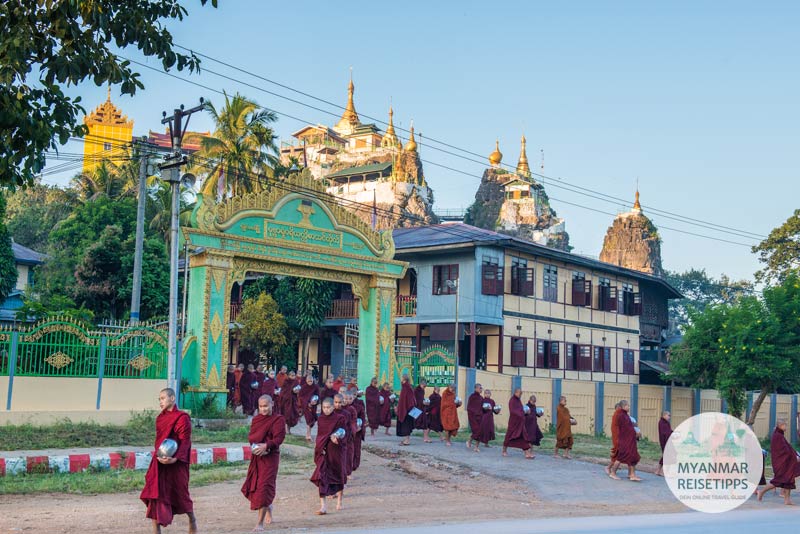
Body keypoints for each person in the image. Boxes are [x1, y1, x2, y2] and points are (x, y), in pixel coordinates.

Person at [140, 388, 198, 534]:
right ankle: (156, 530)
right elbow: (159, 441)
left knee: (181, 494)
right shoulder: (160, 418)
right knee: (155, 493)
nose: (160, 402)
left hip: (177, 462)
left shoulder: (182, 417)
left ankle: (192, 520)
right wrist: (160, 456)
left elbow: (185, 441)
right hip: (160, 462)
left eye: (163, 398)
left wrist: (175, 458)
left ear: (172, 398)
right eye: (159, 399)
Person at [242, 395, 286, 531]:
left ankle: (260, 523)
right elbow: (252, 437)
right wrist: (256, 447)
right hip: (258, 457)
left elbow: (279, 438)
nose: (263, 409)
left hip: (271, 457)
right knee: (258, 485)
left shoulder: (278, 419)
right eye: (261, 406)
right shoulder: (256, 420)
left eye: (266, 406)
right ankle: (269, 507)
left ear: (272, 404)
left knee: (265, 487)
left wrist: (266, 447)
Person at [310, 397, 347, 515]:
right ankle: (323, 507)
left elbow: (344, 432)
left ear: (333, 407)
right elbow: (321, 435)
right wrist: (319, 447)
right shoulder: (320, 419)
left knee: (338, 475)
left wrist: (337, 437)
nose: (326, 410)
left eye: (328, 407)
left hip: (336, 451)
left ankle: (340, 501)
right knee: (322, 476)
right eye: (324, 408)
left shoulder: (339, 418)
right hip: (323, 452)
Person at [758, 419, 800, 505]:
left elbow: (788, 448)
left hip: (787, 462)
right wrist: (794, 457)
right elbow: (783, 451)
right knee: (779, 480)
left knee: (789, 480)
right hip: (782, 463)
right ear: (780, 425)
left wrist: (795, 455)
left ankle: (787, 500)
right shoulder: (777, 436)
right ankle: (762, 492)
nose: (786, 427)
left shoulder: (780, 435)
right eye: (785, 425)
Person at [608, 400, 641, 481]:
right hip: (624, 440)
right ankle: (613, 473)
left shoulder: (625, 415)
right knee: (621, 457)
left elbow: (630, 427)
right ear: (623, 406)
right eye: (627, 406)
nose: (629, 407)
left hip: (630, 439)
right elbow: (624, 429)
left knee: (633, 456)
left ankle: (632, 475)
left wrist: (635, 434)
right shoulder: (620, 415)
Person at [503, 388, 533, 459]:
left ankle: (527, 453)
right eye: (520, 393)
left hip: (520, 422)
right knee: (508, 436)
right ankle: (504, 450)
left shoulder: (518, 401)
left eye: (521, 393)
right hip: (513, 422)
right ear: (516, 392)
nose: (521, 395)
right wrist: (523, 412)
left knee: (523, 437)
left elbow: (520, 409)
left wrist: (526, 412)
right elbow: (513, 411)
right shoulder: (512, 400)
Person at [395, 375, 417, 446]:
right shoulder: (405, 387)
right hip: (404, 409)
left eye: (401, 378)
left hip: (407, 410)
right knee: (405, 425)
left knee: (406, 425)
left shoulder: (407, 388)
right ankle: (405, 439)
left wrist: (409, 407)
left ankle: (407, 440)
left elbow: (411, 399)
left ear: (404, 379)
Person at [299, 374, 320, 443]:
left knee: (313, 419)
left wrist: (315, 401)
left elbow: (318, 395)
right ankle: (308, 434)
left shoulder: (315, 387)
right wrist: (307, 403)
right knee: (309, 420)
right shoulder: (304, 387)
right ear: (306, 381)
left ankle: (308, 434)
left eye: (311, 381)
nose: (310, 383)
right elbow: (301, 397)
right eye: (308, 381)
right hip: (306, 406)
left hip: (313, 406)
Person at [605, 401, 622, 476]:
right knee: (617, 453)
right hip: (617, 437)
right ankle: (609, 467)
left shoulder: (621, 415)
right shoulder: (616, 415)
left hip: (621, 437)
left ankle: (630, 473)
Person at [352, 389, 367, 471]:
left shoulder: (360, 403)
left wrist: (361, 426)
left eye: (354, 394)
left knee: (357, 447)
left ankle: (355, 463)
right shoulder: (346, 405)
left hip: (358, 429)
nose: (353, 397)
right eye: (352, 395)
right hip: (350, 430)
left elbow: (362, 416)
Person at [466, 383, 484, 449]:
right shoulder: (472, 397)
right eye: (480, 388)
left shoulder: (481, 398)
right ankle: (469, 441)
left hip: (480, 417)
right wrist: (473, 414)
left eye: (481, 388)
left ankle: (476, 447)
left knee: (480, 431)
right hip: (473, 417)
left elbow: (482, 407)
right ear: (476, 388)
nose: (481, 389)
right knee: (476, 431)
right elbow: (469, 408)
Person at [656, 411, 672, 477]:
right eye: (668, 415)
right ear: (664, 415)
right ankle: (665, 472)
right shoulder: (662, 423)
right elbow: (664, 433)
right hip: (665, 441)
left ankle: (658, 471)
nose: (669, 417)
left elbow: (669, 431)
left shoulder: (666, 423)